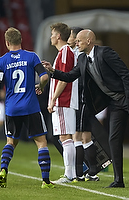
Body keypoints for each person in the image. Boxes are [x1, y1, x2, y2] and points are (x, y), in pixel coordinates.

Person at [42, 29, 129, 189]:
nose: (76, 43)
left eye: (78, 40)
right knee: (114, 140)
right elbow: (70, 76)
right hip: (115, 103)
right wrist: (53, 71)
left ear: (89, 41)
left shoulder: (105, 52)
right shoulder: (83, 58)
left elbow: (125, 74)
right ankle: (118, 180)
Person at [0, 27, 54, 189]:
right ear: (21, 41)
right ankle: (45, 181)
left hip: (12, 108)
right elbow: (45, 76)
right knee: (41, 142)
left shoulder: (2, 61)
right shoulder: (32, 56)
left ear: (7, 43)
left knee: (10, 142)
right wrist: (41, 86)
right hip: (31, 106)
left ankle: (3, 170)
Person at [46, 23, 78, 183]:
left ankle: (70, 174)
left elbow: (64, 79)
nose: (51, 36)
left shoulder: (65, 52)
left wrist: (53, 99)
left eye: (52, 33)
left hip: (63, 101)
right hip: (62, 101)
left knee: (65, 137)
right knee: (64, 137)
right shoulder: (62, 53)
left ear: (58, 36)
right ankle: (71, 173)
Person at [68, 26, 99, 182]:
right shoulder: (81, 54)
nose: (71, 39)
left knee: (78, 137)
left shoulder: (79, 55)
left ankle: (79, 173)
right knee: (85, 136)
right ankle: (91, 172)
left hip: (80, 99)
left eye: (72, 37)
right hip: (83, 99)